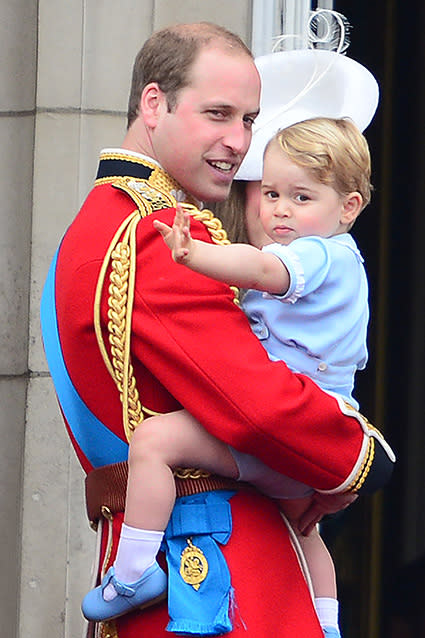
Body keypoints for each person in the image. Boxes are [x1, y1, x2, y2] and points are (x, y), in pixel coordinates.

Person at [40, 22, 395, 638]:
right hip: (217, 571)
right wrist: (362, 458)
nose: (239, 142)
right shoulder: (161, 235)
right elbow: (256, 406)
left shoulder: (89, 226)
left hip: (153, 556)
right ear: (154, 104)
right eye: (218, 114)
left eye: (249, 120)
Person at [81, 116, 370, 637]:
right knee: (306, 530)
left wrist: (195, 254)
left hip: (289, 430)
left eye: (301, 198)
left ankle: (133, 572)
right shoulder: (337, 259)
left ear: (348, 208)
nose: (280, 209)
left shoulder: (320, 255)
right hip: (305, 440)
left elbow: (261, 271)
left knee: (154, 440)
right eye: (272, 192)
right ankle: (326, 622)